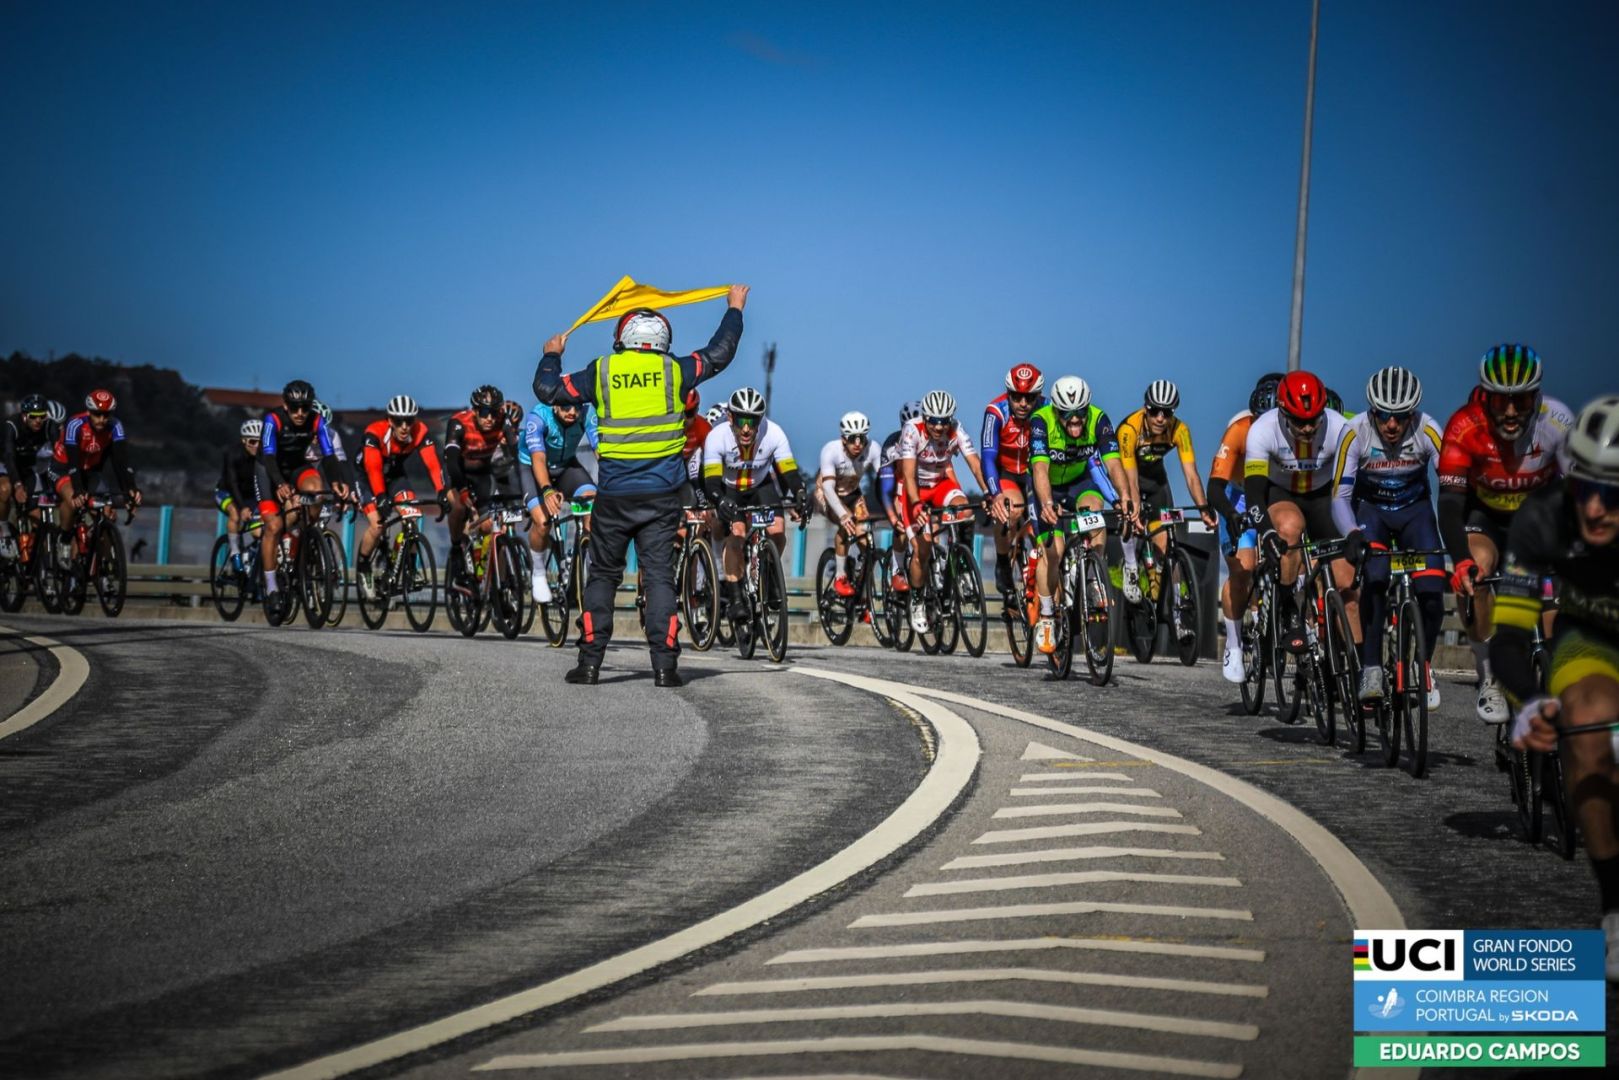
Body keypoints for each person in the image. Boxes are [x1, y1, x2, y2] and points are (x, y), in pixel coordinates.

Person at [534, 284, 749, 685]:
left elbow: (547, 390)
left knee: (602, 577)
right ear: (663, 340)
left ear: (622, 337)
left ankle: (590, 664)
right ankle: (665, 668)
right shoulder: (677, 371)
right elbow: (721, 352)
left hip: (614, 497)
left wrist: (551, 354)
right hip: (662, 496)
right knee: (660, 577)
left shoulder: (600, 371)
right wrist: (735, 308)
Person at [1497, 396, 1619, 979]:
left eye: (1614, 494)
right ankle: (1616, 907)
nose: (1596, 509)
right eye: (1584, 488)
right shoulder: (1544, 515)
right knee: (1588, 726)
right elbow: (1509, 638)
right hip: (1591, 635)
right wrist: (1529, 703)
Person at [1439, 344, 1573, 723]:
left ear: (1537, 395)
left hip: (1537, 515)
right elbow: (1449, 504)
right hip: (1484, 516)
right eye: (1501, 402)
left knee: (1552, 612)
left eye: (1521, 400)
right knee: (1477, 569)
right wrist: (1461, 559)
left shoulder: (1558, 421)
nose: (1511, 412)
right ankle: (1491, 676)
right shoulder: (1464, 425)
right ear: (1486, 397)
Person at [1333, 367, 1446, 706]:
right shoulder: (1355, 433)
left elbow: (1454, 483)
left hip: (1416, 512)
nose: (1392, 425)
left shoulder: (1428, 429)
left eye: (1400, 416)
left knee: (1432, 587)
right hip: (1373, 513)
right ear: (1372, 410)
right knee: (1376, 579)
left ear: (1413, 413)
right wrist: (1352, 533)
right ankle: (1371, 667)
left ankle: (1420, 664)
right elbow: (1339, 496)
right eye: (1383, 415)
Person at [1242, 370, 1356, 653]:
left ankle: (1357, 666)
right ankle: (1287, 606)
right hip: (1282, 493)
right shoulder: (1262, 430)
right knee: (1289, 529)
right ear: (1282, 413)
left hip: (1323, 497)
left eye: (1314, 420)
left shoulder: (1340, 428)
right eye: (1299, 422)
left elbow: (1355, 486)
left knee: (1348, 586)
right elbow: (1254, 493)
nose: (1307, 428)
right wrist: (1267, 532)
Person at [1027, 376, 1126, 653]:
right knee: (1054, 551)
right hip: (1046, 487)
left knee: (1096, 511)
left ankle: (1093, 578)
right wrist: (1046, 503)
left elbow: (1114, 464)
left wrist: (1125, 496)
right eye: (1067, 416)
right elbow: (1040, 471)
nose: (1075, 421)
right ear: (1056, 410)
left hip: (1078, 482)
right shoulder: (1041, 420)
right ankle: (1047, 615)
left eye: (1080, 414)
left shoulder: (1098, 419)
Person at [703, 386, 807, 628]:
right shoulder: (717, 437)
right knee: (736, 535)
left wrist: (800, 492)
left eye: (753, 421)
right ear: (730, 417)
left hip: (760, 487)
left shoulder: (774, 433)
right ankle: (737, 597)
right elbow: (710, 480)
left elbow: (788, 470)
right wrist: (719, 500)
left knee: (778, 531)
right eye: (741, 421)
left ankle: (769, 578)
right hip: (730, 490)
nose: (747, 428)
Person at [1208, 373, 1284, 682]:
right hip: (1237, 496)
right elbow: (1215, 487)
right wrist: (1229, 514)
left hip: (1274, 495)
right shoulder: (1239, 429)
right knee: (1242, 569)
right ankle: (1236, 643)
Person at [897, 390, 991, 636]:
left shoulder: (956, 429)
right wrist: (916, 504)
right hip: (915, 489)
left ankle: (960, 567)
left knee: (965, 511)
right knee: (922, 550)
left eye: (944, 421)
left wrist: (988, 491)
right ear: (925, 417)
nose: (939, 427)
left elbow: (974, 462)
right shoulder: (912, 429)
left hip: (940, 485)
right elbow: (907, 473)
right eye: (934, 421)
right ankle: (917, 599)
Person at [1116, 379, 1218, 605]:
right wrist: (1134, 508)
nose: (1160, 418)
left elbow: (1191, 475)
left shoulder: (1180, 430)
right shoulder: (1129, 430)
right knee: (1128, 517)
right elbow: (1130, 479)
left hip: (1155, 480)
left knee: (1164, 542)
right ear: (1146, 408)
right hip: (1127, 475)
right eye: (1154, 411)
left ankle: (1164, 585)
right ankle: (1131, 567)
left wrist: (1203, 508)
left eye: (1167, 412)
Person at [257, 379, 345, 598]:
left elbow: (328, 454)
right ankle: (271, 587)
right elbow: (268, 456)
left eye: (305, 407)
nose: (300, 413)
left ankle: (303, 537)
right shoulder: (273, 419)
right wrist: (279, 483)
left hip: (297, 466)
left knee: (317, 489)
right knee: (274, 526)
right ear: (285, 405)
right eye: (294, 407)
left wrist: (336, 481)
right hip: (269, 470)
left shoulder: (317, 420)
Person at [357, 395, 449, 598]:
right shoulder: (375, 433)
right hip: (367, 478)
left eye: (409, 420)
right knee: (377, 525)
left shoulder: (420, 431)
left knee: (413, 515)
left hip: (395, 477)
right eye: (399, 421)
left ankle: (408, 566)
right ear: (390, 420)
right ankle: (363, 567)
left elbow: (433, 465)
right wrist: (380, 496)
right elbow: (373, 470)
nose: (405, 426)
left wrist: (441, 491)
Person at [520, 396, 599, 603]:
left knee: (593, 502)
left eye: (577, 407)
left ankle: (589, 563)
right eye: (566, 406)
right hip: (533, 467)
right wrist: (546, 490)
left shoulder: (588, 414)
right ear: (554, 405)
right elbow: (538, 458)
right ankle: (538, 572)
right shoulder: (539, 417)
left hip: (566, 466)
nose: (572, 411)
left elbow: (599, 450)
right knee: (543, 522)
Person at [981, 364, 1044, 597]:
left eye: (1029, 397)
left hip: (1034, 472)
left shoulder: (1048, 408)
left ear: (1038, 396)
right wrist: (995, 493)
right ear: (1008, 393)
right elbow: (987, 456)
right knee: (1010, 509)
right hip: (1005, 472)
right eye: (1016, 397)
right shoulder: (996, 411)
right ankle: (1002, 561)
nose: (1023, 403)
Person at [444, 385, 522, 570]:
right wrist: (462, 490)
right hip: (457, 471)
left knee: (489, 525)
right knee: (458, 507)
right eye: (485, 412)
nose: (490, 418)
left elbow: (516, 456)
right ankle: (456, 548)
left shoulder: (503, 422)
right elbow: (452, 462)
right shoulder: (459, 423)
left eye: (494, 413)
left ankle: (484, 567)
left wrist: (524, 494)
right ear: (475, 411)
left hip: (481, 473)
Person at [50, 389, 143, 540]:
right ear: (88, 411)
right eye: (97, 414)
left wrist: (130, 489)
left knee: (107, 515)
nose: (101, 419)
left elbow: (121, 462)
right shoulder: (75, 424)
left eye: (106, 415)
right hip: (64, 469)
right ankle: (65, 539)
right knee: (75, 502)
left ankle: (97, 558)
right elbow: (73, 463)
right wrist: (79, 489)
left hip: (90, 472)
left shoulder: (115, 426)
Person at [815, 410, 881, 597]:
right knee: (848, 524)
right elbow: (828, 488)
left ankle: (862, 589)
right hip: (828, 495)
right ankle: (840, 576)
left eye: (862, 438)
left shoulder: (873, 449)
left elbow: (885, 480)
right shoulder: (831, 450)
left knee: (866, 539)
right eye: (853, 439)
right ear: (844, 439)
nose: (858, 444)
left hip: (853, 494)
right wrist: (843, 515)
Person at [1, 394, 61, 559]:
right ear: (24, 415)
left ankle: (35, 561)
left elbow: (59, 451)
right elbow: (9, 457)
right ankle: (4, 532)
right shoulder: (12, 425)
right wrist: (18, 485)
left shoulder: (48, 426)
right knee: (5, 490)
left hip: (28, 468)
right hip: (6, 465)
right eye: (33, 417)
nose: (38, 421)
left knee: (37, 516)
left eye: (41, 416)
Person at [876, 400, 924, 593]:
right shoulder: (892, 444)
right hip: (895, 487)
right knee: (902, 524)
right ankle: (898, 570)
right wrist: (894, 517)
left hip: (922, 487)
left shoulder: (931, 439)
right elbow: (886, 487)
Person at [216, 419, 264, 571]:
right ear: (244, 441)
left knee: (258, 532)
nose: (256, 446)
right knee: (235, 515)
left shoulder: (264, 456)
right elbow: (233, 482)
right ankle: (235, 553)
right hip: (227, 492)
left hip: (250, 497)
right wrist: (242, 507)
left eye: (260, 442)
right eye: (252, 441)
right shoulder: (233, 454)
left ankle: (250, 556)